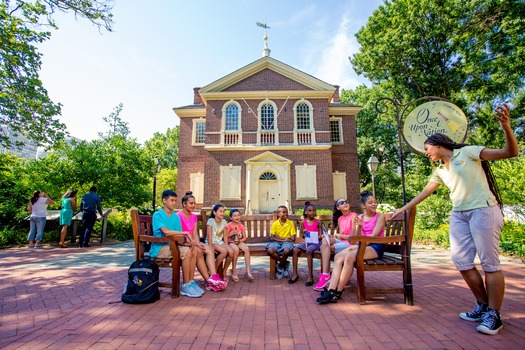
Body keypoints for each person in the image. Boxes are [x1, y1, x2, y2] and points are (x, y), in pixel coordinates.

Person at [389, 103, 519, 335]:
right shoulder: (440, 170)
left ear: (438, 144)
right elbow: (423, 193)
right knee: (462, 262)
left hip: (483, 210)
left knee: (490, 263)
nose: (427, 153)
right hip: (459, 215)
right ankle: (482, 306)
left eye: (428, 149)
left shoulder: (468, 152)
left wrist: (506, 127)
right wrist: (401, 210)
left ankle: (494, 314)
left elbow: (510, 153)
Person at [317, 191, 385, 304]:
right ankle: (331, 289)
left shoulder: (380, 216)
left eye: (375, 202)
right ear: (363, 205)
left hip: (374, 246)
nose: (374, 204)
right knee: (338, 256)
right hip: (361, 244)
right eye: (370, 202)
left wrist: (356, 246)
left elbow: (373, 237)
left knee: (349, 258)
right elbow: (358, 236)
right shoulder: (360, 217)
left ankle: (337, 292)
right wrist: (359, 226)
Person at [152, 190, 203, 298]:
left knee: (192, 249)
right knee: (187, 252)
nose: (174, 203)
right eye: (172, 200)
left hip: (173, 246)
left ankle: (190, 282)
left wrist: (187, 242)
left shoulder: (175, 217)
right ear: (164, 201)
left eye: (175, 200)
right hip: (160, 247)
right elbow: (166, 232)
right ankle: (185, 285)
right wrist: (185, 233)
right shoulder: (158, 215)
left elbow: (179, 237)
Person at [178, 192, 227, 292]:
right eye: (191, 203)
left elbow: (195, 233)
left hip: (194, 242)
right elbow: (180, 234)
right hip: (184, 243)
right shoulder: (178, 216)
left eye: (194, 203)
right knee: (199, 251)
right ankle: (208, 281)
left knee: (208, 249)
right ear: (184, 204)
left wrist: (198, 243)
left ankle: (213, 277)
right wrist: (196, 245)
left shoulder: (193, 217)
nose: (193, 205)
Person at [313, 197, 357, 291]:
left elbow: (353, 237)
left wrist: (339, 235)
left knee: (330, 247)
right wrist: (333, 237)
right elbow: (341, 237)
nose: (345, 203)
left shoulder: (353, 216)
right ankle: (325, 274)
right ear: (338, 207)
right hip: (344, 242)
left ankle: (327, 275)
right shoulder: (340, 218)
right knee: (325, 241)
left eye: (346, 201)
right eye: (342, 202)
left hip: (351, 244)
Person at [289, 202, 322, 286]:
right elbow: (302, 236)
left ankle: (310, 276)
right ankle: (295, 274)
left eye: (314, 210)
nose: (312, 212)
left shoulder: (318, 222)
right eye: (310, 210)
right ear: (306, 212)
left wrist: (314, 237)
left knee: (308, 250)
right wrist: (304, 233)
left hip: (315, 242)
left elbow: (321, 236)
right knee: (295, 250)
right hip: (306, 242)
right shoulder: (303, 223)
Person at [266, 205, 296, 280]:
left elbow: (293, 238)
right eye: (283, 212)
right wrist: (285, 239)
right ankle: (284, 263)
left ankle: (280, 266)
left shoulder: (290, 223)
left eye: (286, 212)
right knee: (270, 250)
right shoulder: (275, 223)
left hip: (286, 243)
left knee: (286, 250)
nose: (286, 214)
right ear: (278, 214)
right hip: (277, 242)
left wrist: (279, 238)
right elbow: (272, 238)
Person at [224, 208, 254, 281]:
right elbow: (225, 236)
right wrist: (231, 233)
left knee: (246, 248)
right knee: (236, 250)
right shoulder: (229, 225)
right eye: (235, 216)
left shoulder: (241, 226)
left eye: (238, 215)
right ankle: (234, 270)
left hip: (239, 241)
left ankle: (248, 270)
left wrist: (240, 241)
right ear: (231, 217)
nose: (237, 217)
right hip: (230, 242)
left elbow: (244, 237)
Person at [206, 203, 234, 281]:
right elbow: (209, 236)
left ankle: (224, 270)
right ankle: (213, 270)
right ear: (215, 212)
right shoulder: (210, 221)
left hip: (220, 241)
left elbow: (225, 235)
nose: (222, 213)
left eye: (223, 211)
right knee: (224, 251)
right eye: (220, 211)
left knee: (231, 252)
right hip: (212, 242)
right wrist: (211, 247)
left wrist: (226, 244)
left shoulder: (224, 221)